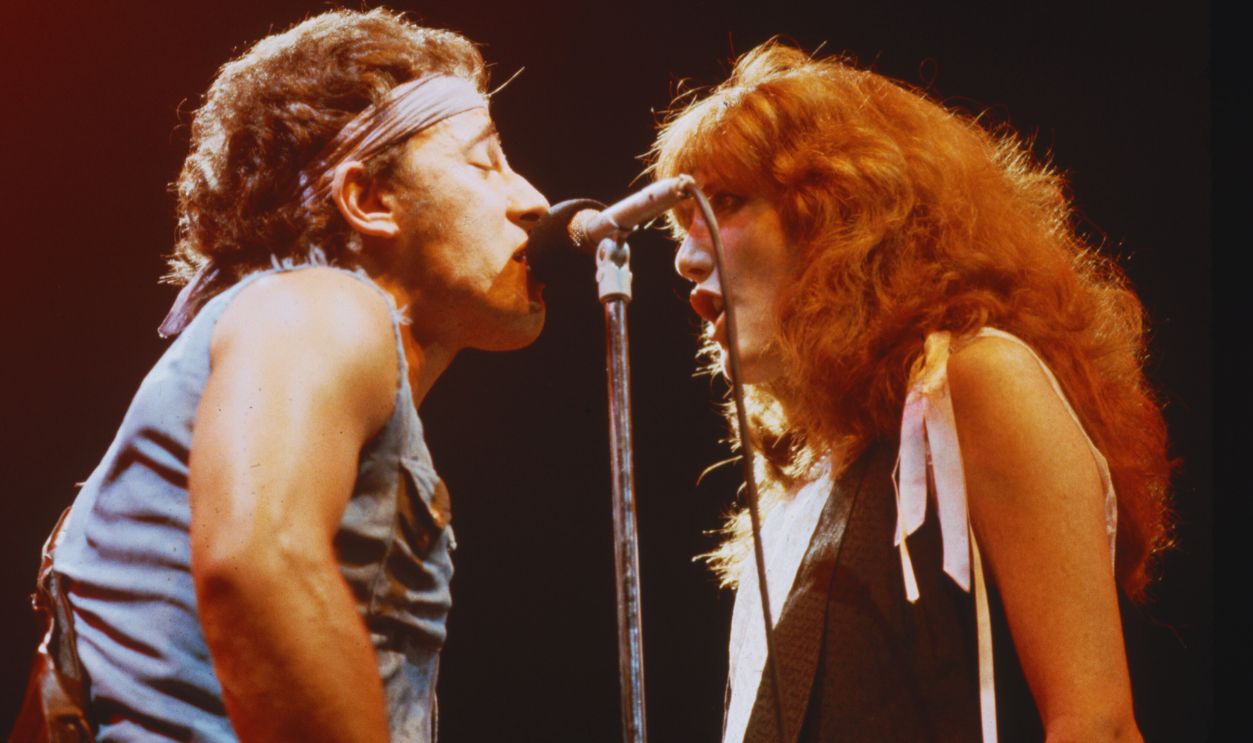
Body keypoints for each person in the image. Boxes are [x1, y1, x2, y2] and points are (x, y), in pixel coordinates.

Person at [12, 8, 548, 742]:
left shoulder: (270, 338)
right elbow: (255, 562)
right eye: (484, 162)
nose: (532, 200)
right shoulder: (319, 302)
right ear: (367, 200)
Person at [650, 41, 1173, 742]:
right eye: (681, 221)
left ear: (841, 213)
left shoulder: (974, 376)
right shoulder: (801, 491)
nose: (686, 254)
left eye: (726, 202)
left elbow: (1096, 724)